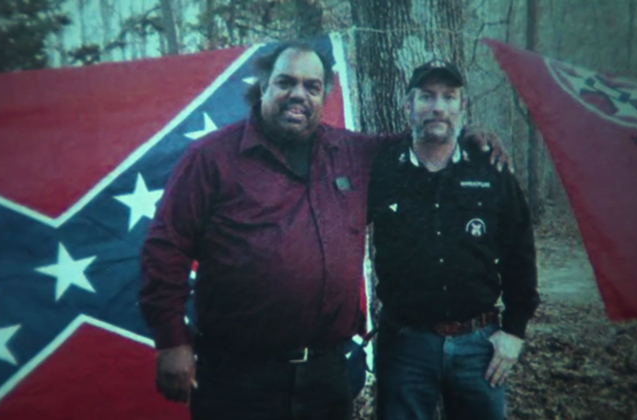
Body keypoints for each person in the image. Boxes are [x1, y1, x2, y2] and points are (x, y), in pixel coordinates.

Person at [138, 42, 510, 420]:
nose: (298, 94)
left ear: (324, 95)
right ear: (263, 85)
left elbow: (420, 141)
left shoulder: (351, 153)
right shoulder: (211, 158)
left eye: (312, 86)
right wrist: (171, 341)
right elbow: (165, 248)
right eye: (286, 82)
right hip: (237, 375)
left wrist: (465, 133)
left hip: (325, 375)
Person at [367, 60, 540, 420]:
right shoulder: (382, 170)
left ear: (463, 107)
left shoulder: (490, 168)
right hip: (405, 346)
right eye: (426, 96)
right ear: (407, 105)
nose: (438, 107)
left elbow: (519, 250)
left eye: (449, 97)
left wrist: (514, 331)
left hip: (480, 345)